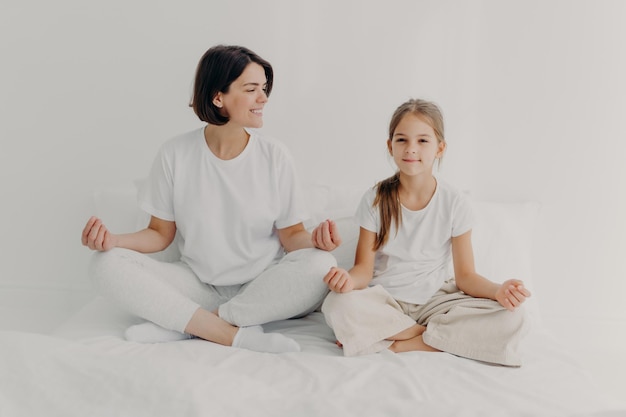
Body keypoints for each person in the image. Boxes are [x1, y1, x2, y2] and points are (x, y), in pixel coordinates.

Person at [81, 44, 341, 353]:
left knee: (321, 264)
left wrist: (315, 240)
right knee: (104, 264)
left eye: (264, 89)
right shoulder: (175, 154)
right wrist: (113, 241)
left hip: (260, 286)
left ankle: (192, 326)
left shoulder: (275, 156)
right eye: (252, 89)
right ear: (218, 97)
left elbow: (291, 236)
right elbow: (159, 234)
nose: (263, 98)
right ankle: (230, 333)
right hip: (197, 285)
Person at [321, 98, 531, 366]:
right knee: (337, 305)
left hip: (437, 301)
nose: (411, 149)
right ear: (390, 145)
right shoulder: (375, 198)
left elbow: (466, 277)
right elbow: (363, 269)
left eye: (422, 141)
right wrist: (347, 282)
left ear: (439, 148)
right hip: (387, 299)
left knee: (514, 318)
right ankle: (434, 339)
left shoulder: (454, 202)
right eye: (401, 140)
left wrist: (499, 290)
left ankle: (399, 342)